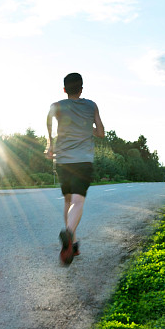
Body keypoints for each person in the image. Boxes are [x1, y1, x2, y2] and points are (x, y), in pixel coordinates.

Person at [45, 72, 105, 265]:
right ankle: (69, 233)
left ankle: (74, 243)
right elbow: (101, 133)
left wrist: (50, 144)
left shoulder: (56, 106)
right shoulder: (91, 105)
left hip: (62, 160)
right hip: (83, 161)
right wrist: (89, 129)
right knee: (78, 201)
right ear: (81, 88)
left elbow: (48, 121)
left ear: (64, 89)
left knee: (68, 201)